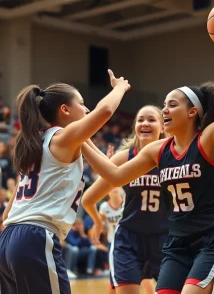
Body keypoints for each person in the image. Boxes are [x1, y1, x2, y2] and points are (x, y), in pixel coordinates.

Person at [82, 47, 214, 294]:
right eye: (163, 105)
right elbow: (114, 175)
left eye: (172, 105)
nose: (164, 109)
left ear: (192, 111)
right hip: (178, 242)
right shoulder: (157, 150)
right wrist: (81, 139)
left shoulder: (210, 138)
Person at [0, 70, 130, 294]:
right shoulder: (63, 137)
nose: (87, 109)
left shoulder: (34, 145)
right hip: (36, 237)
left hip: (8, 239)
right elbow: (105, 110)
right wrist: (119, 87)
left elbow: (115, 175)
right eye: (81, 103)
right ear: (65, 110)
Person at [82, 105, 168, 294]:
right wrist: (98, 223)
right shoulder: (124, 158)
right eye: (140, 120)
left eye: (151, 120)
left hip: (166, 239)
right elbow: (88, 199)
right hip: (129, 240)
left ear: (162, 127)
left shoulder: (173, 156)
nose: (145, 123)